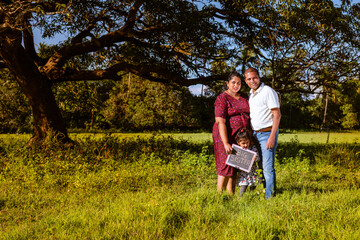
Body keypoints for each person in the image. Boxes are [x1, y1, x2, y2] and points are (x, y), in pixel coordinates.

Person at [244, 67, 281, 199]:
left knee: (267, 167)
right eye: (249, 79)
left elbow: (277, 115)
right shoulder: (251, 94)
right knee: (259, 166)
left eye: (254, 78)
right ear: (246, 81)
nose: (252, 81)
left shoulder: (267, 91)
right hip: (255, 134)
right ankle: (265, 190)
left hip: (267, 134)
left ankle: (270, 197)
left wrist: (272, 136)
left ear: (259, 76)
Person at [212, 71, 251, 194]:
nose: (236, 85)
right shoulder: (222, 98)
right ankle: (219, 196)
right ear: (227, 83)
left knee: (234, 166)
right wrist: (225, 143)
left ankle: (231, 196)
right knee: (224, 166)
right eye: (233, 82)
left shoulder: (244, 96)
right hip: (224, 136)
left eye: (239, 83)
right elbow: (220, 122)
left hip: (239, 137)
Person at [235, 128, 260, 196]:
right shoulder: (237, 150)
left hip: (252, 171)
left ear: (250, 141)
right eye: (243, 143)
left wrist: (255, 158)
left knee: (253, 186)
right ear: (238, 143)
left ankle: (252, 197)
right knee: (243, 187)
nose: (246, 145)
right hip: (243, 173)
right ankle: (241, 199)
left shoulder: (253, 148)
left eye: (247, 142)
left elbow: (258, 159)